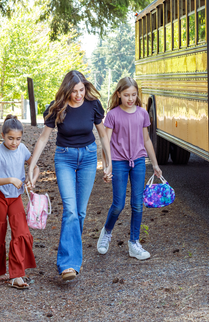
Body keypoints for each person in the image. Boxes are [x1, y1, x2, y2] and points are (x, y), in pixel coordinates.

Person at [27, 70, 113, 282]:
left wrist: (108, 163)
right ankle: (68, 264)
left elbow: (103, 134)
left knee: (80, 213)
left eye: (81, 90)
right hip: (64, 158)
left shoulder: (93, 104)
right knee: (71, 210)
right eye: (74, 91)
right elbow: (43, 139)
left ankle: (73, 258)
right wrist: (32, 165)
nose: (78, 95)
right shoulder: (57, 107)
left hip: (88, 158)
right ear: (67, 90)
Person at [96, 77, 163, 260]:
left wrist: (155, 164)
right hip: (118, 162)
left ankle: (134, 243)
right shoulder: (113, 115)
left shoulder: (142, 113)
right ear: (118, 94)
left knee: (137, 204)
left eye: (134, 95)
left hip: (139, 162)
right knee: (118, 204)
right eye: (126, 95)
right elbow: (106, 143)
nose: (130, 98)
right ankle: (107, 232)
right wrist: (107, 166)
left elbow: (147, 140)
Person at [0, 115, 39, 289]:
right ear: (3, 135)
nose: (14, 142)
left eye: (18, 139)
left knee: (20, 232)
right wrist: (11, 179)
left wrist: (31, 178)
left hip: (15, 197)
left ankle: (17, 275)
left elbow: (35, 166)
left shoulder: (22, 149)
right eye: (10, 138)